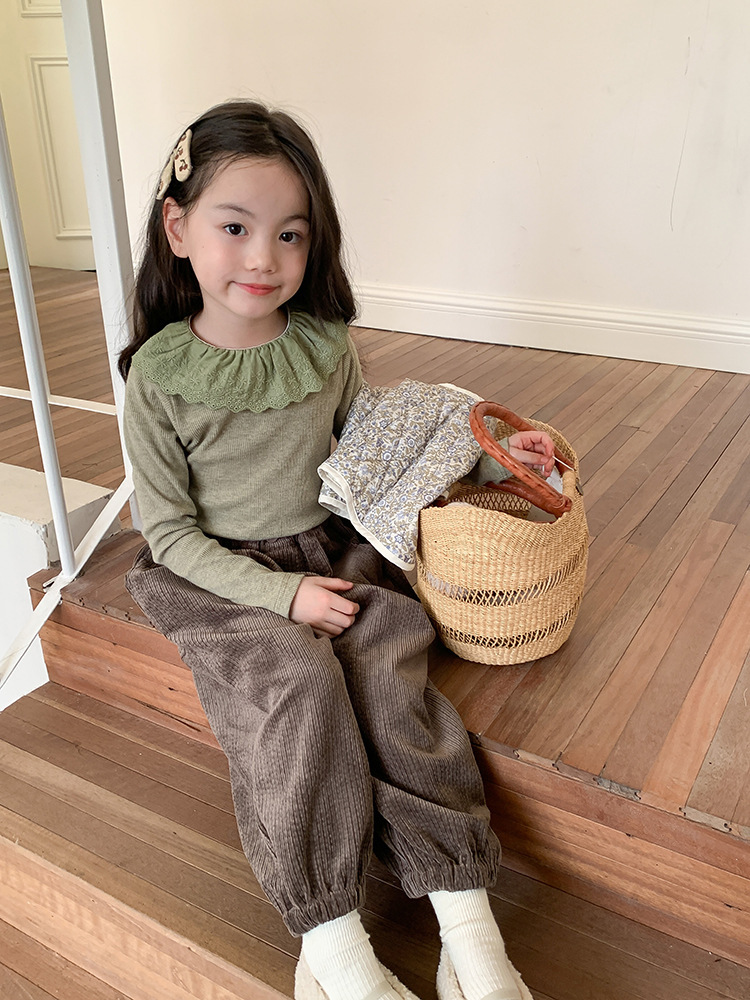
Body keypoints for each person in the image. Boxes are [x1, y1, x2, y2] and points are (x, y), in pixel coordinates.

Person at [121, 100, 553, 1000]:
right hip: (221, 578)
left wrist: (496, 456)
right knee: (297, 683)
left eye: (290, 234)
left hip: (331, 552)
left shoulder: (324, 347)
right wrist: (282, 600)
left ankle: (468, 927)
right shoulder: (159, 377)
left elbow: (378, 447)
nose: (263, 258)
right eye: (234, 227)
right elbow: (168, 533)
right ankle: (334, 941)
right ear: (177, 228)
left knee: (388, 675)